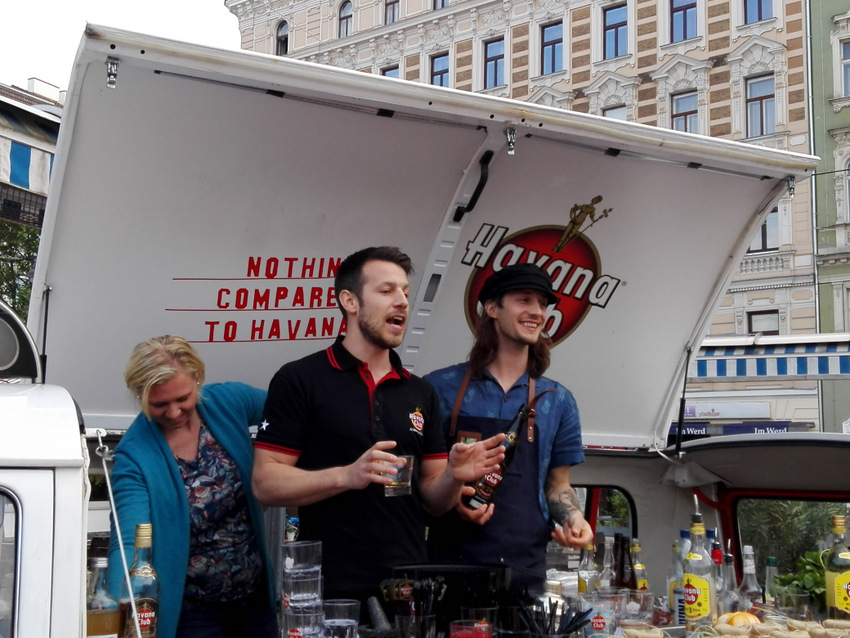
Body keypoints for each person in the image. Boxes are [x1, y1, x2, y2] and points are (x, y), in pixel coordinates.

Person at [253, 246, 505, 602]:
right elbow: (265, 483)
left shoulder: (420, 392)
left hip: (409, 588)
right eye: (386, 291)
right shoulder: (301, 379)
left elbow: (434, 502)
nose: (402, 301)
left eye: (405, 291)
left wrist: (454, 475)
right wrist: (347, 475)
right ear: (350, 301)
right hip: (331, 591)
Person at [424, 263, 594, 590]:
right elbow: (424, 481)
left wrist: (574, 518)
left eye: (542, 304)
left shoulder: (558, 400)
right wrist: (455, 498)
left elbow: (558, 485)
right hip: (447, 570)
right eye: (524, 300)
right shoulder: (439, 388)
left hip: (525, 573)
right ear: (491, 308)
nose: (537, 312)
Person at [107, 335, 277, 638]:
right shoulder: (133, 456)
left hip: (255, 600)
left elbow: (291, 409)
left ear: (197, 379)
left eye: (182, 398)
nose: (173, 413)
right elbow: (129, 542)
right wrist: (124, 613)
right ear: (140, 395)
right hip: (192, 612)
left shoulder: (228, 401)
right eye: (159, 404)